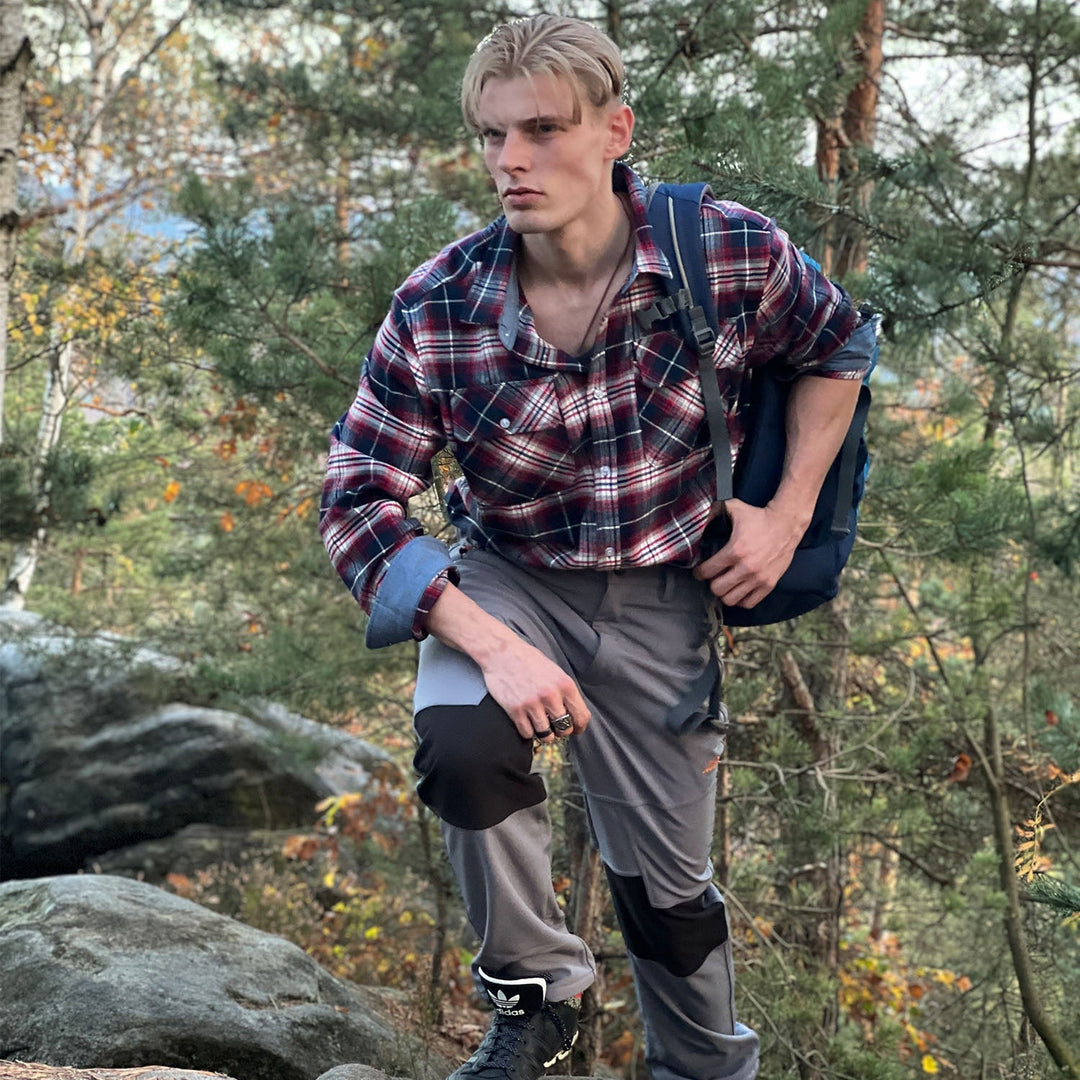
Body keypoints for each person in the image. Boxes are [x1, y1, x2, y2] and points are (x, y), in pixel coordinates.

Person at [320, 14, 875, 1080]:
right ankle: (540, 997)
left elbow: (838, 346)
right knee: (463, 745)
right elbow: (356, 499)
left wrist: (788, 513)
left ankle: (706, 1065)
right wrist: (490, 642)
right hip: (505, 578)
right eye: (491, 136)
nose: (510, 162)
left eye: (541, 130)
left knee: (670, 901)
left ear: (616, 129)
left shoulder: (724, 252)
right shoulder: (441, 304)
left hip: (666, 596)